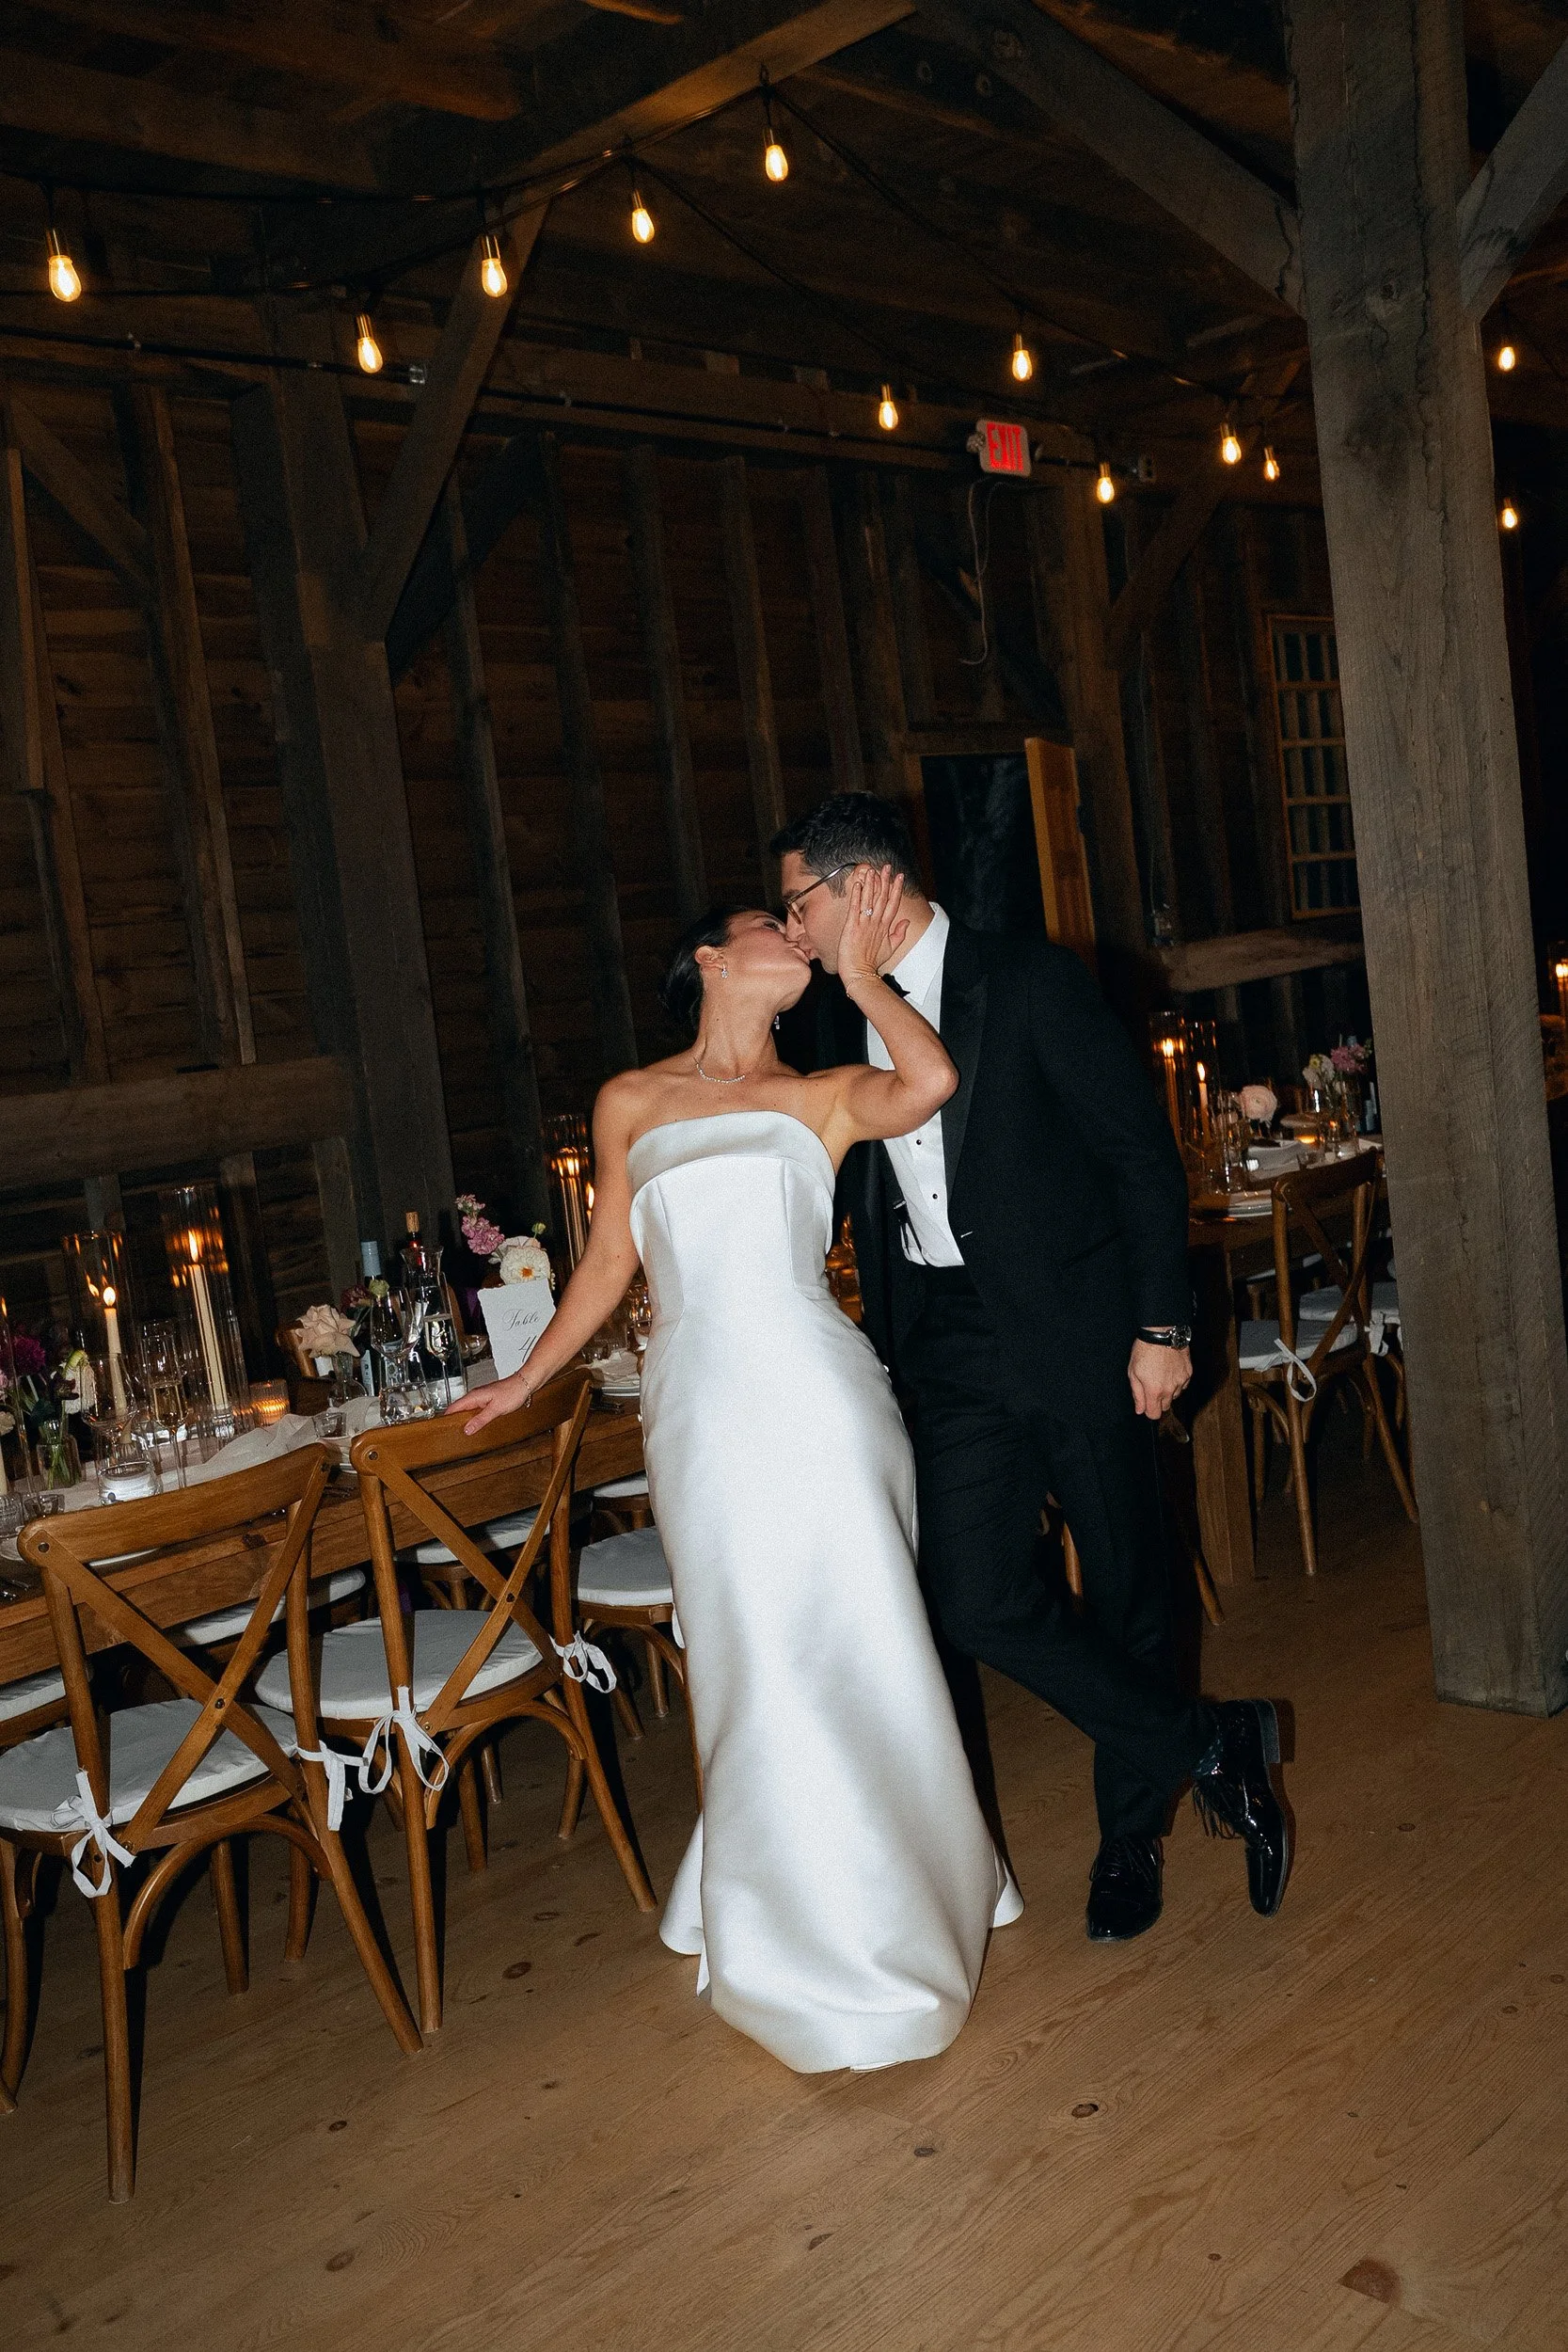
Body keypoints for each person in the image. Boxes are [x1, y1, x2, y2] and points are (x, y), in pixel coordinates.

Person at [455, 869, 1022, 2074]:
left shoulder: (818, 1094)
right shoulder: (629, 1099)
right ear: (711, 957)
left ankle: (887, 1907)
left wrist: (865, 979)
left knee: (852, 1632)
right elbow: (608, 1260)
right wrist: (528, 1378)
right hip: (698, 1408)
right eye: (776, 925)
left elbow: (928, 1082)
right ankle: (777, 1898)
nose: (796, 936)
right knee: (746, 1645)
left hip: (820, 1397)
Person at [772, 793, 1291, 1943]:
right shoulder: (832, 1020)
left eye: (798, 903)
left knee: (1125, 1581)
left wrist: (1161, 1327)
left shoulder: (1032, 978)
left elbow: (1136, 1156)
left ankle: (1127, 1843)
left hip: (1078, 1324)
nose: (791, 929)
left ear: (867, 888)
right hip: (946, 1337)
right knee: (972, 1593)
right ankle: (1209, 1743)